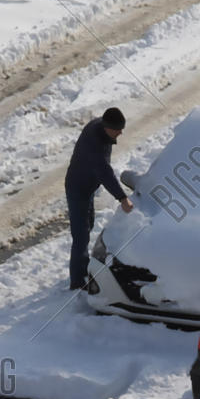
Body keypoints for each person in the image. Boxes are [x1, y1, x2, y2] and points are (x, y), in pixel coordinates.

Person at [64, 106, 134, 291]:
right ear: (107, 127)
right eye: (118, 129)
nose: (120, 133)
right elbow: (105, 174)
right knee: (80, 236)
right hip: (78, 189)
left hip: (86, 186)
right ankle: (77, 282)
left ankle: (83, 266)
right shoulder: (95, 146)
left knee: (88, 224)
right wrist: (122, 198)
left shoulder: (100, 127)